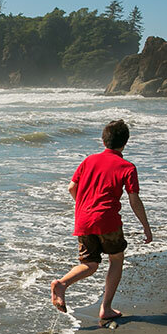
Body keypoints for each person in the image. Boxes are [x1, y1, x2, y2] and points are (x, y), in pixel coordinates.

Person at [50, 119, 152, 323]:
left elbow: (71, 187)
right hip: (107, 220)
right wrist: (146, 227)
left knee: (90, 264)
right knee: (116, 258)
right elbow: (134, 199)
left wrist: (83, 207)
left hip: (83, 220)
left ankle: (62, 284)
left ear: (103, 141)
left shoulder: (89, 160)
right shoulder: (127, 166)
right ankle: (105, 308)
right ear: (125, 143)